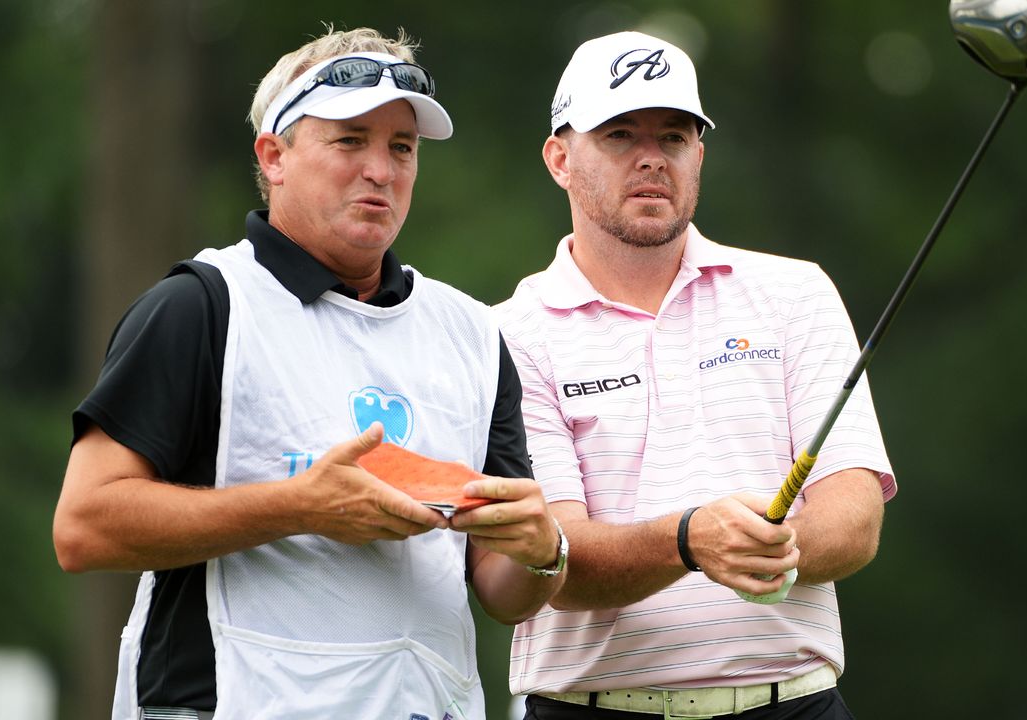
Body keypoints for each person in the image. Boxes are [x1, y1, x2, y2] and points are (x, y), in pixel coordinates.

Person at [52, 27, 568, 720]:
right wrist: (302, 506)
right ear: (275, 156)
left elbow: (499, 587)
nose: (381, 170)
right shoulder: (202, 305)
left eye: (401, 148)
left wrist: (542, 554)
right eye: (350, 140)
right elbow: (84, 526)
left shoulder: (472, 332)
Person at [494, 31, 898, 719]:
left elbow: (855, 517)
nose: (652, 157)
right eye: (620, 135)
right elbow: (555, 559)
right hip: (590, 707)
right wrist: (689, 540)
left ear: (699, 155)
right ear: (560, 159)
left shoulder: (795, 293)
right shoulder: (508, 332)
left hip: (792, 704)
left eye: (675, 137)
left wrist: (777, 546)